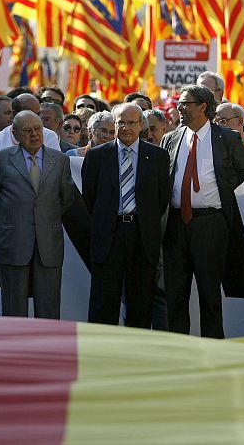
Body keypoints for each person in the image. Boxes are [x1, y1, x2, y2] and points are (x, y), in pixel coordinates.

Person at [161, 84, 244, 338]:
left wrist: (222, 187)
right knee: (176, 293)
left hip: (210, 224)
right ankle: (178, 348)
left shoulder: (226, 138)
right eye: (179, 104)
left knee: (209, 293)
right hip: (176, 225)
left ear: (203, 106)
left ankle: (212, 349)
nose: (179, 108)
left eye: (185, 103)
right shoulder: (171, 138)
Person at [0, 111, 75, 318]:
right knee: (14, 306)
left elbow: (67, 199)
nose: (34, 134)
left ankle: (44, 348)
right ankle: (14, 348)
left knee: (48, 305)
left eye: (38, 129)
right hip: (13, 242)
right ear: (15, 134)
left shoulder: (59, 161)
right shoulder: (1, 160)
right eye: (27, 131)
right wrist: (6, 222)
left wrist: (46, 221)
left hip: (48, 243)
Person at [82, 103, 170, 327]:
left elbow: (161, 199)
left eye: (132, 123)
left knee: (140, 302)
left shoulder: (158, 157)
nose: (126, 128)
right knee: (104, 302)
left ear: (142, 125)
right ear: (115, 124)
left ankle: (136, 355)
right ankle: (103, 353)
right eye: (121, 122)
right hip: (109, 235)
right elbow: (90, 198)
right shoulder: (96, 156)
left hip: (142, 235)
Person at [0, 93, 60, 159]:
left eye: (38, 114)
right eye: (29, 114)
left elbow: (56, 168)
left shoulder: (49, 136)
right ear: (14, 114)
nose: (35, 118)